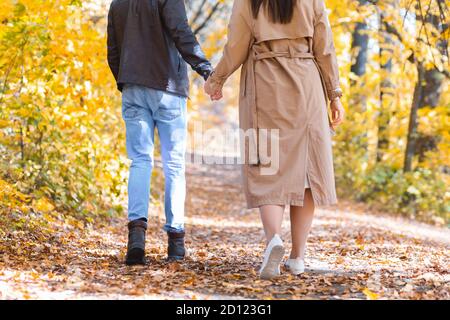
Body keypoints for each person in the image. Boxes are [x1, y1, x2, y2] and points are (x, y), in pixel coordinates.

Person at [205, 0, 345, 279]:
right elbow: (324, 45)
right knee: (306, 171)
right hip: (307, 84)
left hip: (265, 82)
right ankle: (298, 257)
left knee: (266, 165)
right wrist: (335, 94)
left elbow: (237, 44)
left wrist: (217, 78)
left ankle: (273, 241)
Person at [107, 0, 212, 265]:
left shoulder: (118, 3)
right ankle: (176, 243)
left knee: (140, 161)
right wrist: (206, 68)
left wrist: (126, 80)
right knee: (174, 165)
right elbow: (181, 32)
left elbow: (113, 51)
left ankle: (136, 240)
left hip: (132, 87)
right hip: (168, 88)